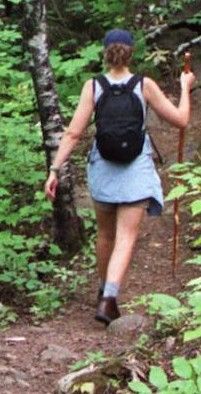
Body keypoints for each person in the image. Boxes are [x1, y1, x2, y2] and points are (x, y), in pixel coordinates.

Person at [43, 29, 192, 325]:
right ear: (131, 53)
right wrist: (185, 87)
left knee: (106, 234)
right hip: (135, 168)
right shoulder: (144, 85)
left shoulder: (94, 86)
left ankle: (102, 292)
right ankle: (110, 298)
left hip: (103, 168)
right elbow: (181, 121)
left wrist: (54, 170)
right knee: (126, 236)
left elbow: (73, 133)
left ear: (105, 52)